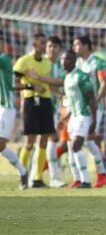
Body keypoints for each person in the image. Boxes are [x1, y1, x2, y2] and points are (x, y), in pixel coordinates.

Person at [72, 35, 106, 187]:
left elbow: (104, 83)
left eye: (77, 44)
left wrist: (95, 101)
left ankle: (91, 177)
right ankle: (97, 176)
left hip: (93, 108)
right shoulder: (76, 62)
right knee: (88, 142)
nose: (74, 47)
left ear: (86, 46)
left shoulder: (98, 61)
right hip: (77, 109)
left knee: (84, 142)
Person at [13, 33, 54, 188]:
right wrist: (31, 86)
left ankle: (37, 178)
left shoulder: (47, 63)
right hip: (31, 101)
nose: (45, 46)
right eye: (42, 43)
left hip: (46, 101)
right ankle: (22, 176)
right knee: (29, 142)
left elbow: (51, 82)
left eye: (46, 43)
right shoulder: (23, 61)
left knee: (44, 140)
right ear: (34, 44)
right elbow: (13, 84)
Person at [25, 36, 66, 188]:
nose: (52, 49)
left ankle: (35, 176)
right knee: (41, 141)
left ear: (59, 49)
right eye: (49, 46)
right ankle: (36, 176)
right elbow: (50, 85)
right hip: (37, 106)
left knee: (46, 141)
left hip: (53, 108)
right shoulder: (40, 62)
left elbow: (59, 83)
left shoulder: (60, 66)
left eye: (55, 47)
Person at [58, 49, 97, 188]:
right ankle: (78, 180)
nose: (64, 62)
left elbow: (91, 99)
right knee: (70, 148)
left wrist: (94, 120)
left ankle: (86, 181)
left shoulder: (82, 76)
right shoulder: (66, 77)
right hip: (73, 117)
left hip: (84, 116)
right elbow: (70, 101)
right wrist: (64, 118)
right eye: (62, 59)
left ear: (74, 61)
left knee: (76, 146)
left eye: (67, 59)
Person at [0, 37, 28, 190]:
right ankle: (23, 172)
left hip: (6, 107)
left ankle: (23, 172)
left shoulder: (4, 59)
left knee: (0, 144)